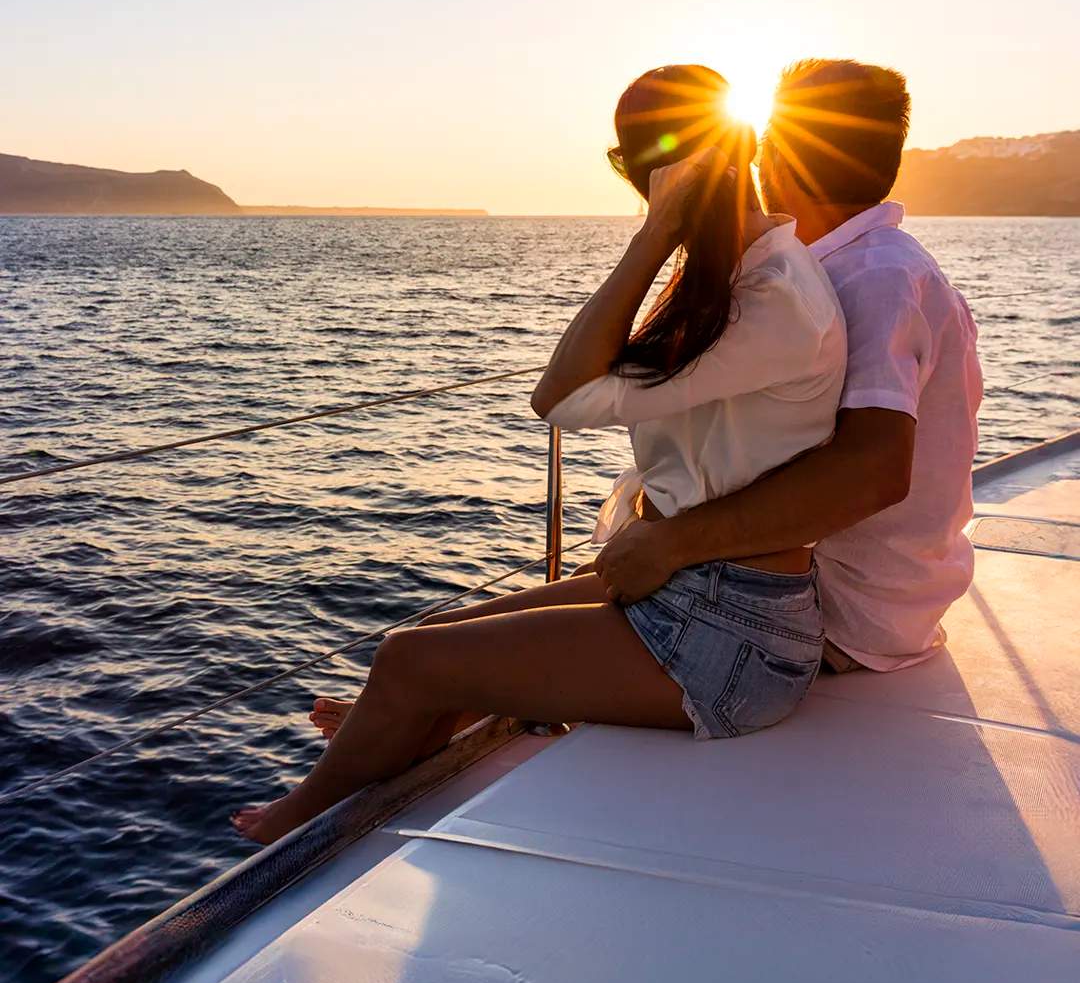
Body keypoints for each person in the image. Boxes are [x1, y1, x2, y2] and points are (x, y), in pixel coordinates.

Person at [232, 64, 846, 844]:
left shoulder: (770, 297)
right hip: (698, 596)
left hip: (732, 640)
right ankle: (381, 762)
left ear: (638, 174)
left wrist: (655, 233)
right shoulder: (743, 274)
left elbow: (557, 398)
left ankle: (297, 824)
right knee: (433, 656)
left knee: (407, 663)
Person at [592, 59, 983, 676]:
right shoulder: (853, 266)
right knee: (463, 642)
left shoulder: (875, 278)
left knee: (450, 662)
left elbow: (874, 470)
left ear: (779, 155)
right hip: (825, 590)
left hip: (833, 611)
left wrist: (673, 543)